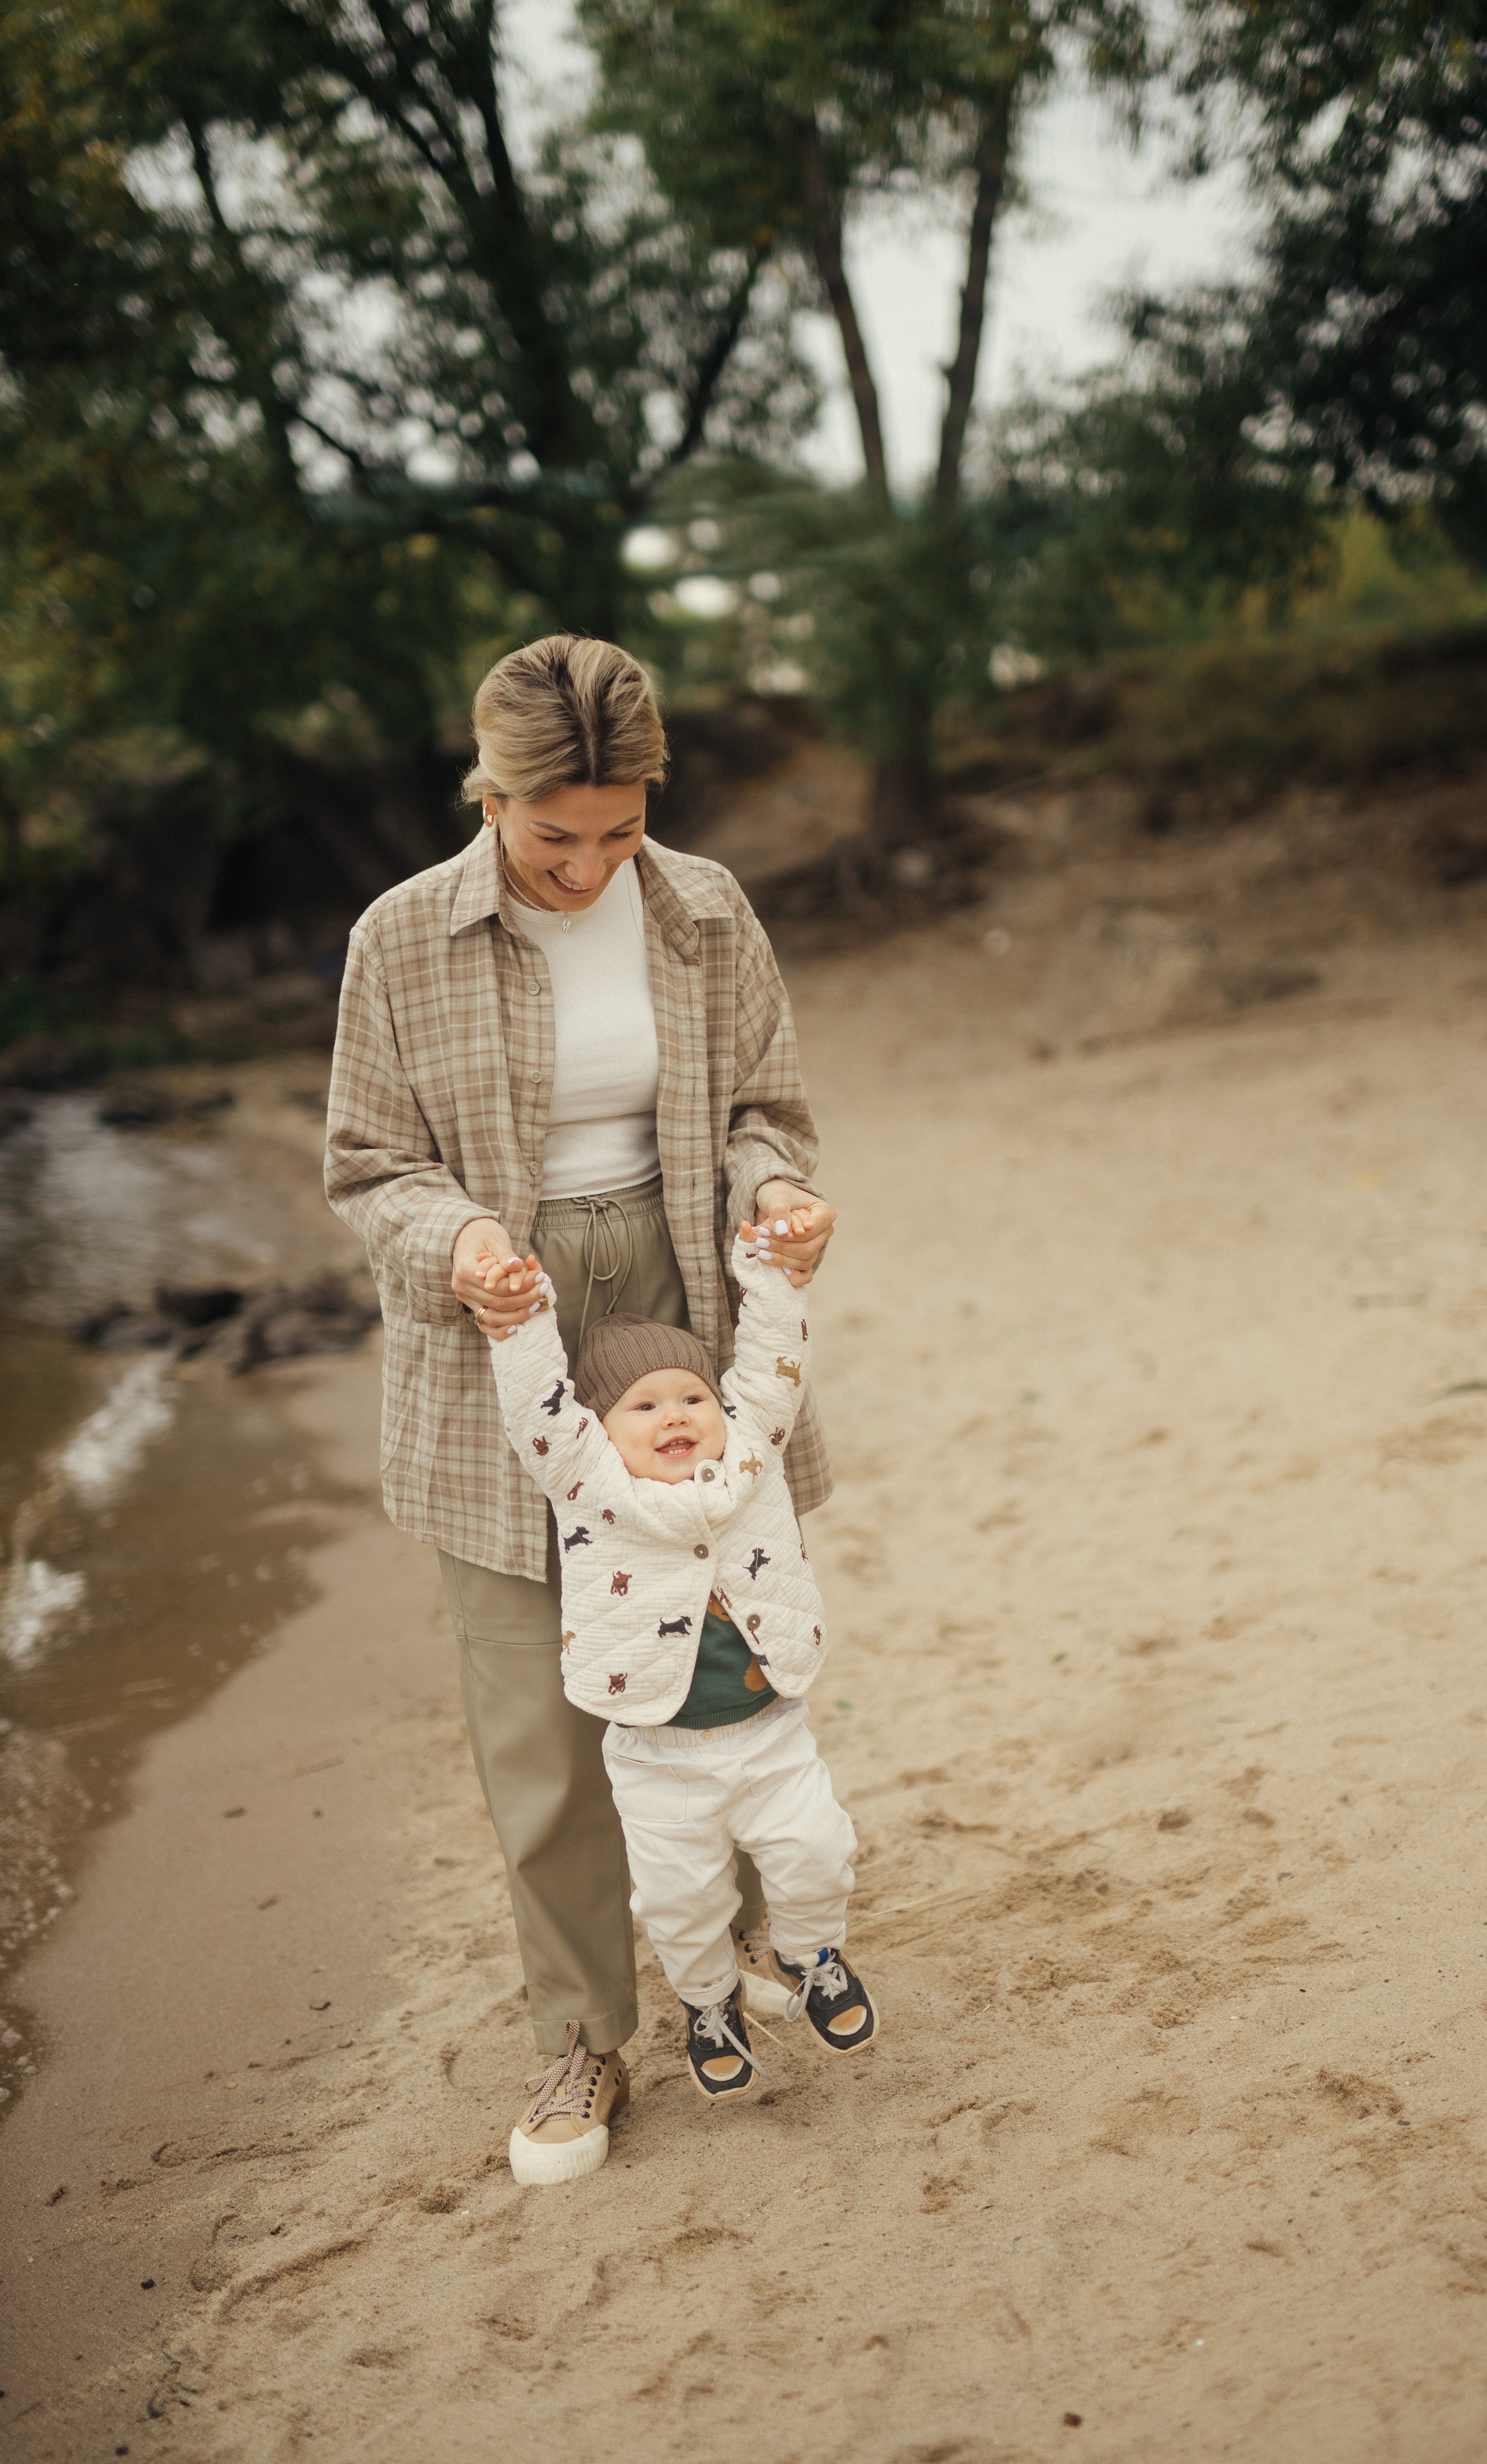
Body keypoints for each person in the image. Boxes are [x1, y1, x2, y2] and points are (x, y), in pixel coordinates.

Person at [324, 633, 838, 2183]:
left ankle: (739, 1943)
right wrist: (463, 1241)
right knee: (538, 1717)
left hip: (683, 1293)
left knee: (723, 1637)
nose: (587, 866)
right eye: (554, 835)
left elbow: (764, 1112)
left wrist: (782, 1193)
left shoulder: (703, 908)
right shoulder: (400, 939)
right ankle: (581, 2037)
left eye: (618, 831)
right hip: (498, 1316)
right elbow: (366, 1167)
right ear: (485, 794)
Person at [477, 1210, 876, 2179]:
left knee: (819, 1851)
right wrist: (520, 1321)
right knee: (681, 1904)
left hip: (771, 1734)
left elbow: (773, 1364)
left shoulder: (750, 1458)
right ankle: (707, 2009)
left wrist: (769, 1272)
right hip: (658, 1759)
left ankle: (815, 1957)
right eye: (644, 1407)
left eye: (689, 1395)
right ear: (601, 1430)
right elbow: (540, 1409)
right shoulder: (587, 1483)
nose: (674, 1417)